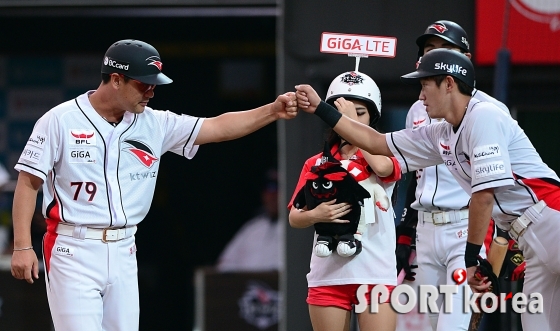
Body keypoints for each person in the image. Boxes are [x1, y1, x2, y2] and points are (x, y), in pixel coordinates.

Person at [10, 39, 297, 331]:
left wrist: (272, 111)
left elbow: (217, 127)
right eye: (143, 83)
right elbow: (28, 182)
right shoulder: (59, 120)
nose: (151, 91)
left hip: (124, 247)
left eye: (154, 83)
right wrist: (22, 246)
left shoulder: (154, 123)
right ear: (116, 80)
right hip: (73, 247)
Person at [295, 48, 560, 331]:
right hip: (526, 235)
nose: (420, 97)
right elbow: (377, 143)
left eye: (424, 86)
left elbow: (484, 197)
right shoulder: (441, 133)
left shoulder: (483, 116)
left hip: (549, 219)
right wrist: (322, 108)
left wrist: (472, 259)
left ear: (448, 83)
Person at [395, 20, 510, 331]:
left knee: (455, 326)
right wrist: (406, 232)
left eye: (445, 50)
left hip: (464, 227)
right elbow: (413, 175)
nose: (434, 56)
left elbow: (492, 189)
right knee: (434, 326)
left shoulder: (485, 110)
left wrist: (487, 243)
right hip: (427, 230)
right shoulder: (418, 110)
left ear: (465, 60)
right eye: (429, 50)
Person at [289, 70, 401, 331]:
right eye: (340, 111)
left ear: (373, 115)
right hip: (327, 278)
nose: (350, 118)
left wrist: (353, 128)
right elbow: (295, 217)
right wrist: (317, 215)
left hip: (376, 277)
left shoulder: (386, 154)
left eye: (360, 112)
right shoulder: (316, 163)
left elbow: (385, 169)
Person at [216, 168, 282, 272]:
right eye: (269, 189)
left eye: (278, 189)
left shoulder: (301, 228)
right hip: (248, 287)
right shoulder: (252, 228)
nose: (273, 195)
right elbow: (224, 264)